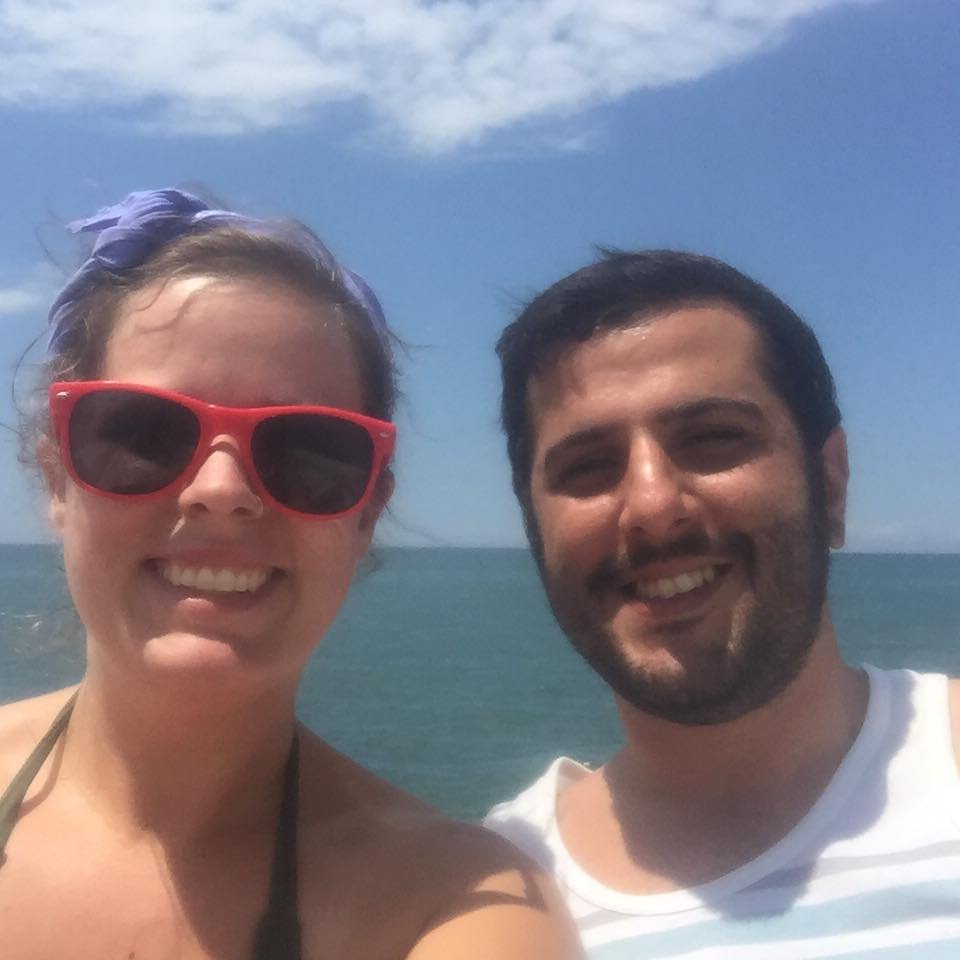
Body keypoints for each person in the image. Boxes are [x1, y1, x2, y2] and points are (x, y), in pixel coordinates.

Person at [0, 188, 580, 959]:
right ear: (57, 481)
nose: (221, 491)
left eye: (307, 452)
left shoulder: (446, 904)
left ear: (366, 515)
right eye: (143, 434)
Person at [484, 249, 960, 957]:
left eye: (713, 439)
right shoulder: (494, 904)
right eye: (587, 466)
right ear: (535, 527)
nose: (653, 505)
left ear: (829, 484)